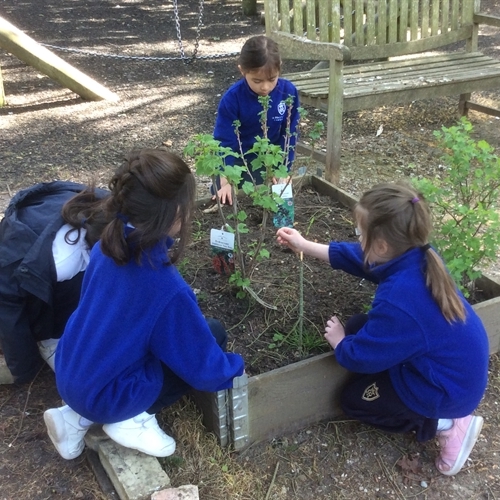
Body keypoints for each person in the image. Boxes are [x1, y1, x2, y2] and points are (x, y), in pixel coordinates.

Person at [276, 181, 489, 476]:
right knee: (357, 327)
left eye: (360, 234)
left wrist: (340, 344)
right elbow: (360, 260)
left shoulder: (400, 299)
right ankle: (437, 409)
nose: (357, 239)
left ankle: (448, 425)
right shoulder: (418, 256)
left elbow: (361, 358)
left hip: (446, 391)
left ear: (381, 245)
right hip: (448, 369)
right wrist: (304, 245)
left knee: (354, 400)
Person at [43, 148, 245, 460]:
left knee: (138, 338)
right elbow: (203, 367)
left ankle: (74, 417)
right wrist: (233, 368)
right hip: (109, 396)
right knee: (213, 333)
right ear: (175, 216)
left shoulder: (106, 246)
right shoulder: (166, 288)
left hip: (70, 370)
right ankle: (131, 418)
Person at [0, 181, 109, 384]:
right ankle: (51, 339)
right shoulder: (57, 260)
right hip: (35, 287)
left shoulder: (109, 211)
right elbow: (8, 311)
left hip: (55, 272)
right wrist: (23, 368)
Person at [213, 35, 300, 205]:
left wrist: (283, 168)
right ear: (242, 70)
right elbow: (224, 141)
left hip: (270, 161)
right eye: (257, 81)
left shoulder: (288, 92)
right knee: (226, 204)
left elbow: (289, 135)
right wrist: (226, 180)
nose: (265, 87)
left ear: (279, 69)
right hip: (236, 163)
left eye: (272, 79)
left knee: (278, 204)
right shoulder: (233, 98)